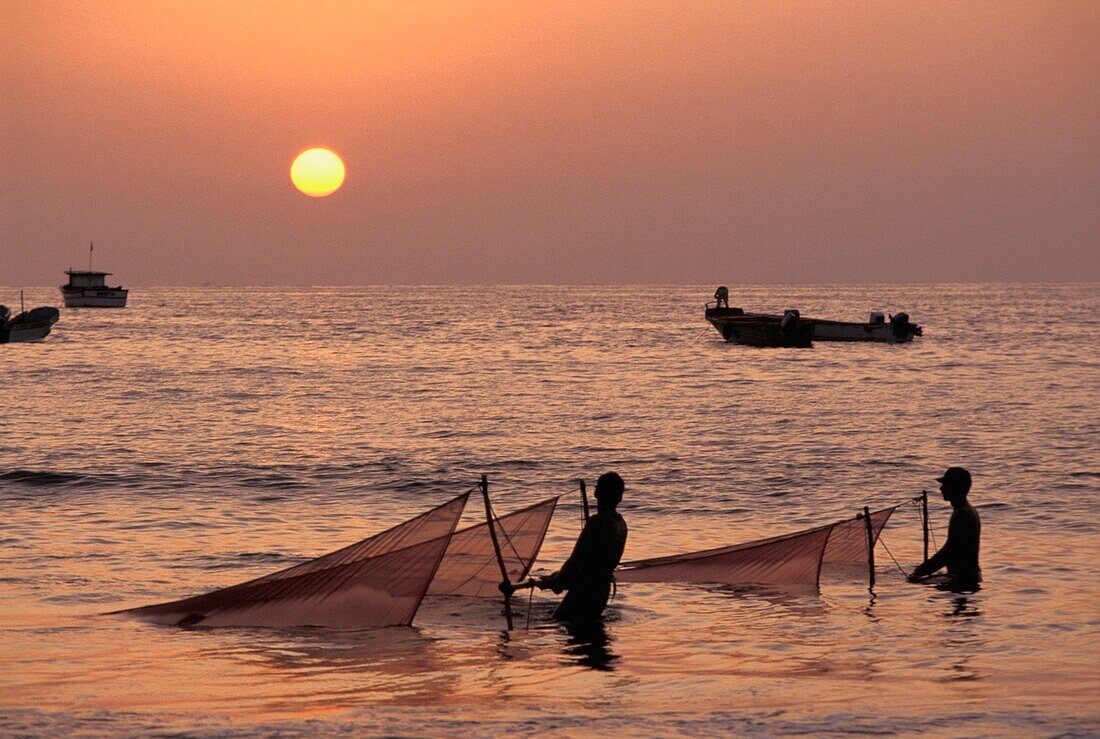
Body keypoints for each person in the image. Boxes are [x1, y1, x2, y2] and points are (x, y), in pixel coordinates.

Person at [535, 472, 629, 625]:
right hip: (601, 593)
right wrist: (558, 577)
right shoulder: (621, 524)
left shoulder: (597, 523)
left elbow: (576, 561)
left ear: (597, 493)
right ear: (619, 497)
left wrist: (555, 582)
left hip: (584, 592)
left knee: (561, 624)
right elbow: (594, 564)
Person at [908, 467, 982, 591]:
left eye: (945, 485)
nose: (941, 489)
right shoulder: (969, 510)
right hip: (970, 577)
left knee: (914, 585)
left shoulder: (962, 514)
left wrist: (919, 571)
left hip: (962, 579)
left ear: (955, 487)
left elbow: (948, 552)